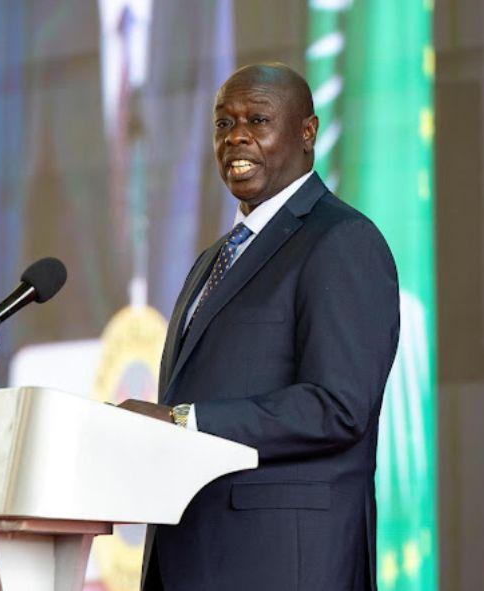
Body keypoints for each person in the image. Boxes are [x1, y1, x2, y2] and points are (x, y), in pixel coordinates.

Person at [118, 63, 400, 591]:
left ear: (307, 132)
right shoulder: (212, 260)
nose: (237, 136)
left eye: (258, 120)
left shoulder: (341, 241)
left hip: (281, 564)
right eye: (223, 124)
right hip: (190, 556)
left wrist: (179, 420)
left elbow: (338, 407)